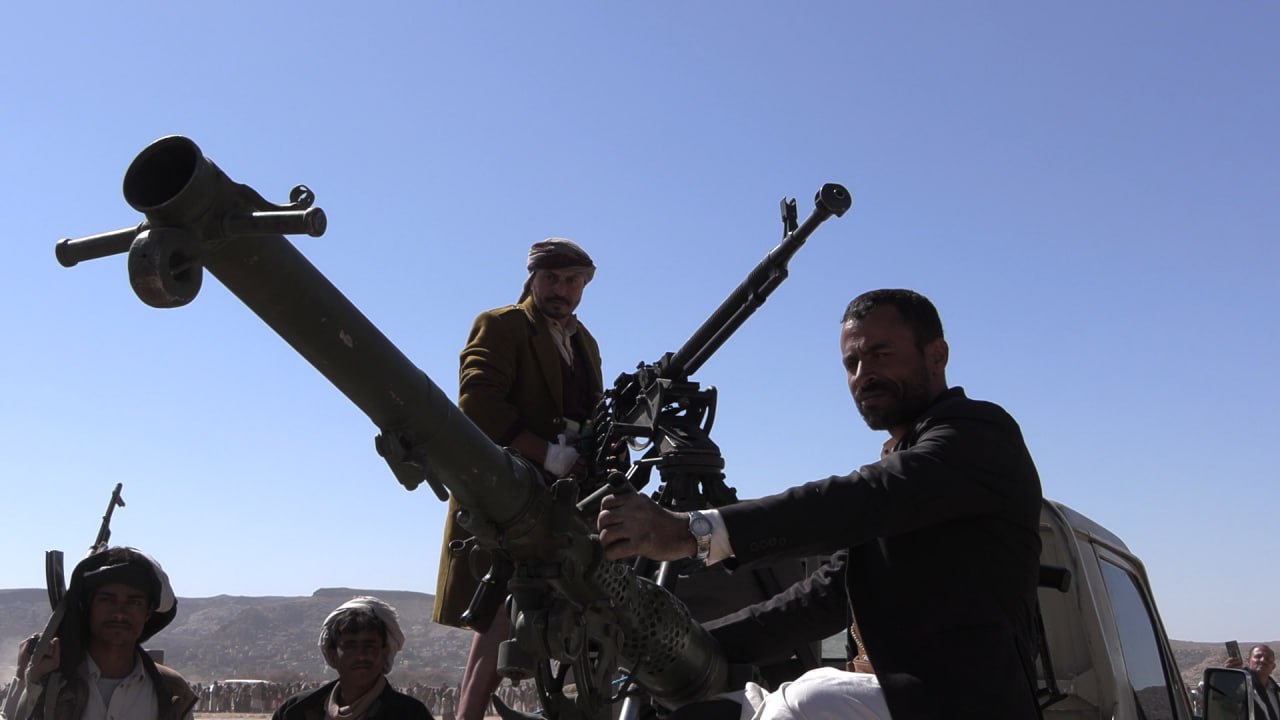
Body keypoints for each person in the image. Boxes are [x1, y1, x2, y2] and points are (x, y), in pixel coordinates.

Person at [598, 288, 1044, 719]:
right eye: (852, 362)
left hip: (962, 703)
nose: (863, 374)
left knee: (804, 701)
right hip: (893, 700)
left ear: (936, 355)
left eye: (881, 354)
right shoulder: (902, 465)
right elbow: (825, 597)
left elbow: (865, 497)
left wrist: (691, 531)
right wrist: (682, 643)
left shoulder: (977, 436)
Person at [434, 237, 604, 720]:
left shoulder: (585, 343)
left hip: (566, 501)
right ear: (532, 279)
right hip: (506, 496)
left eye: (572, 281)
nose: (561, 290)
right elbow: (478, 404)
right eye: (551, 278)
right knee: (500, 615)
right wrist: (548, 454)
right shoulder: (502, 325)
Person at [20, 547, 197, 720]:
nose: (119, 613)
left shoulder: (171, 691)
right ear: (88, 607)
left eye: (133, 602)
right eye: (107, 600)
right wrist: (25, 678)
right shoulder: (50, 681)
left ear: (148, 614)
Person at [272, 596, 432, 720]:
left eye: (369, 646)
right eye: (350, 646)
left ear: (385, 653)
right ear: (332, 654)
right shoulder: (296, 711)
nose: (361, 656)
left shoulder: (410, 714)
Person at [1225, 644, 1280, 719]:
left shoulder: (1276, 691)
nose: (1263, 660)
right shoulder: (1239, 686)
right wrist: (1228, 677)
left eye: (1268, 659)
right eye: (1258, 656)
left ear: (1273, 667)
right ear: (1248, 661)